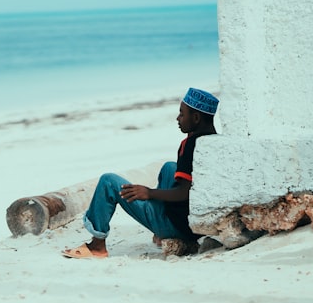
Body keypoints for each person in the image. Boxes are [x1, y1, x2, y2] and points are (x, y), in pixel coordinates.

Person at [61, 87, 218, 259]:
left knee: (108, 181)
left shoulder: (189, 146)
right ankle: (161, 233)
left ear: (195, 118)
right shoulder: (214, 142)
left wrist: (149, 192)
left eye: (182, 114)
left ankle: (97, 245)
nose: (177, 118)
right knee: (169, 167)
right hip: (194, 226)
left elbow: (184, 191)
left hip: (177, 226)